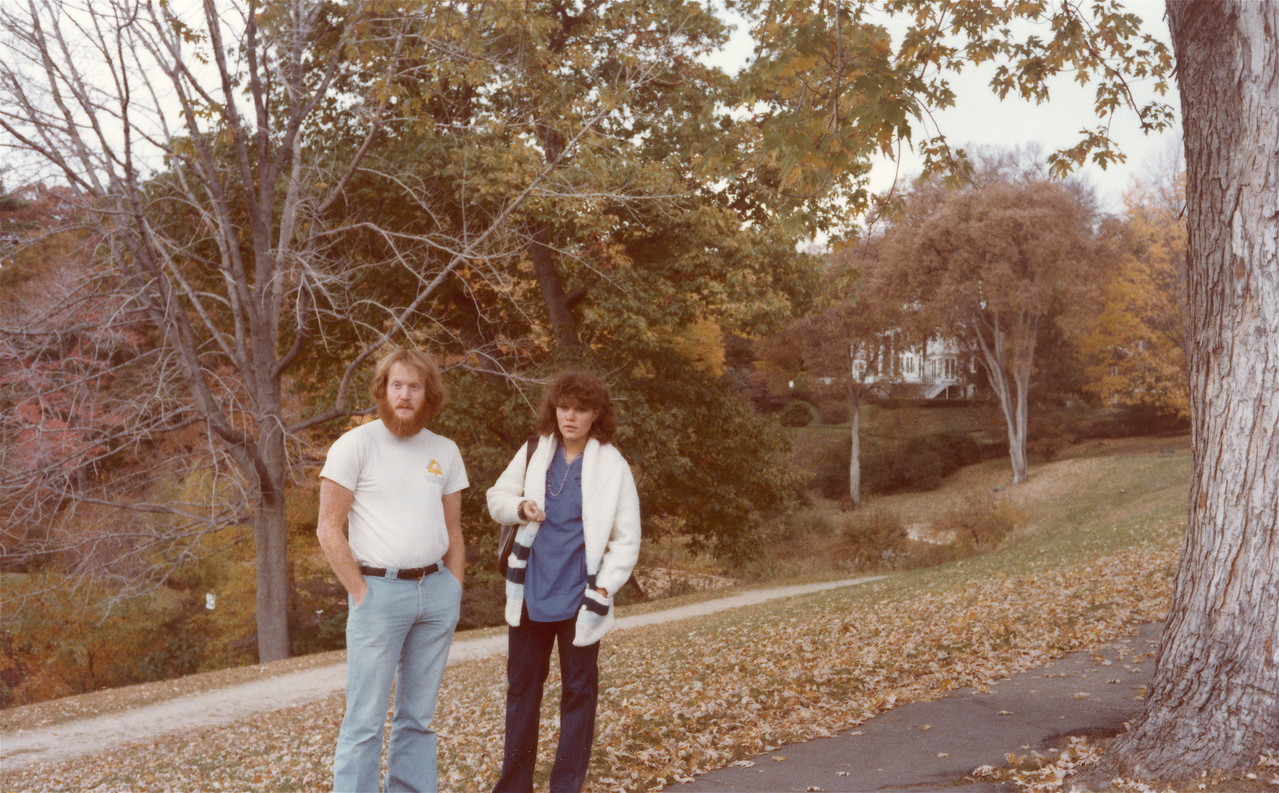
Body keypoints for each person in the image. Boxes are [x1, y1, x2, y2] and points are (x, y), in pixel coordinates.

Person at [316, 349, 467, 793]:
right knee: (364, 720)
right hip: (379, 595)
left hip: (436, 592)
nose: (404, 394)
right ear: (382, 390)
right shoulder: (355, 445)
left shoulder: (444, 450)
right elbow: (328, 529)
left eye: (414, 386)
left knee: (417, 717)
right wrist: (361, 592)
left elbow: (453, 530)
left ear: (428, 394)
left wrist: (453, 590)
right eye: (396, 385)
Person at [487, 370, 642, 793]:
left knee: (578, 694)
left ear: (596, 414)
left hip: (580, 599)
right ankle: (515, 785)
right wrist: (522, 506)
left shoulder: (612, 464)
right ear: (553, 410)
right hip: (530, 593)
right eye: (563, 407)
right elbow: (496, 498)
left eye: (580, 409)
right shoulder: (535, 451)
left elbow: (626, 538)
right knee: (521, 691)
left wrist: (606, 587)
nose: (569, 417)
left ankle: (566, 786)